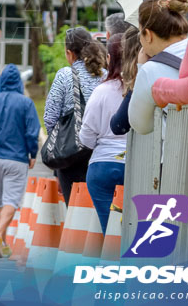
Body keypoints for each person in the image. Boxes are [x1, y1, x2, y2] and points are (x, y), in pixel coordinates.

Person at [0, 64, 39, 259]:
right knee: (11, 201)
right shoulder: (26, 103)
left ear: (1, 82)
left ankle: (1, 243)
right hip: (17, 159)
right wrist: (32, 153)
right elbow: (32, 132)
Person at [43, 26, 106, 205]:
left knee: (75, 208)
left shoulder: (65, 75)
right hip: (99, 153)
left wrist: (58, 141)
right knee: (97, 208)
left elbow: (50, 116)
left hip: (70, 154)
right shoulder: (105, 76)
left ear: (70, 53)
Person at [79, 34, 128, 232]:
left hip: (103, 166)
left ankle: (112, 256)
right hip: (139, 165)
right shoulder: (144, 88)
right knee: (141, 229)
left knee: (111, 230)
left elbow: (86, 136)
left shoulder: (102, 91)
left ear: (109, 59)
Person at [127, 0, 188, 135]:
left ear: (148, 34)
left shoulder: (150, 70)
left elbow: (141, 125)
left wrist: (142, 67)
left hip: (180, 153)